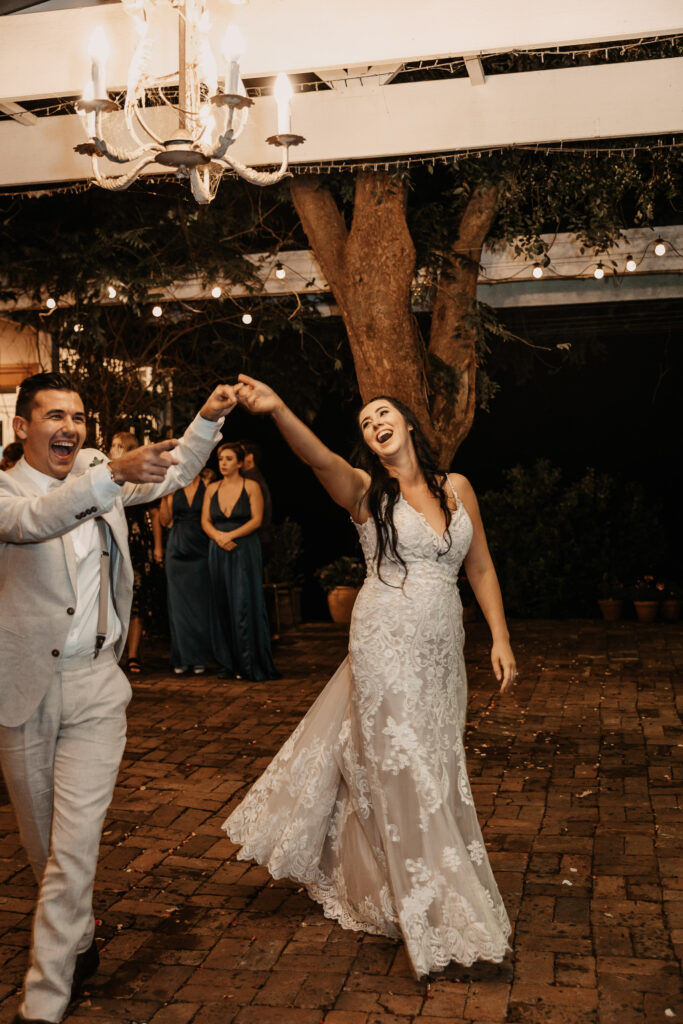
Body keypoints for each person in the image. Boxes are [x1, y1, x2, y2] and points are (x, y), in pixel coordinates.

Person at [224, 375, 517, 978]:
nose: (374, 424)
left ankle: (401, 883)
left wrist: (501, 638)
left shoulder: (457, 488)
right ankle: (426, 914)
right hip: (383, 640)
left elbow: (481, 568)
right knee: (401, 763)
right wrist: (279, 409)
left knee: (434, 762)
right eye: (364, 423)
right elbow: (320, 458)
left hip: (441, 646)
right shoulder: (365, 492)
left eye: (383, 414)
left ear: (407, 423)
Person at [0, 371, 236, 1024]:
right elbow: (33, 521)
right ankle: (78, 942)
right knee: (43, 847)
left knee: (72, 849)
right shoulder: (6, 491)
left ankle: (42, 1002)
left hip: (98, 687)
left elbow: (169, 471)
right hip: (22, 691)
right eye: (54, 415)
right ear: (22, 427)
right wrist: (106, 477)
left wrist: (209, 417)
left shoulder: (100, 472)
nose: (70, 427)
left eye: (77, 416)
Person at [201, 441, 279, 681]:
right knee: (221, 602)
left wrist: (230, 535)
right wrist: (218, 537)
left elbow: (257, 520)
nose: (223, 463)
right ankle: (227, 663)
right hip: (218, 549)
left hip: (243, 547)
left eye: (228, 459)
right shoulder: (212, 488)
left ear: (239, 462)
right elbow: (205, 520)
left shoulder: (251, 486)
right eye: (220, 459)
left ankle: (249, 662)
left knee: (244, 602)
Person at [108, 432, 163, 674]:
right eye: (112, 444)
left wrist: (158, 546)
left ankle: (132, 655)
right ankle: (112, 653)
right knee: (111, 596)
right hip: (113, 539)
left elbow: (154, 514)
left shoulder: (140, 475)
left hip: (137, 542)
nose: (113, 448)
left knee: (136, 599)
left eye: (119, 445)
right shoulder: (104, 473)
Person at [159, 475, 212, 675]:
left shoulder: (207, 486)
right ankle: (181, 658)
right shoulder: (175, 487)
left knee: (200, 605)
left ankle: (199, 658)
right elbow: (164, 521)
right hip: (177, 549)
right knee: (178, 607)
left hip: (200, 546)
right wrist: (164, 496)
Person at [239, 440, 273, 564]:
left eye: (240, 454)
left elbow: (260, 517)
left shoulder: (252, 481)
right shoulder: (250, 478)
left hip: (255, 539)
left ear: (250, 457)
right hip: (257, 538)